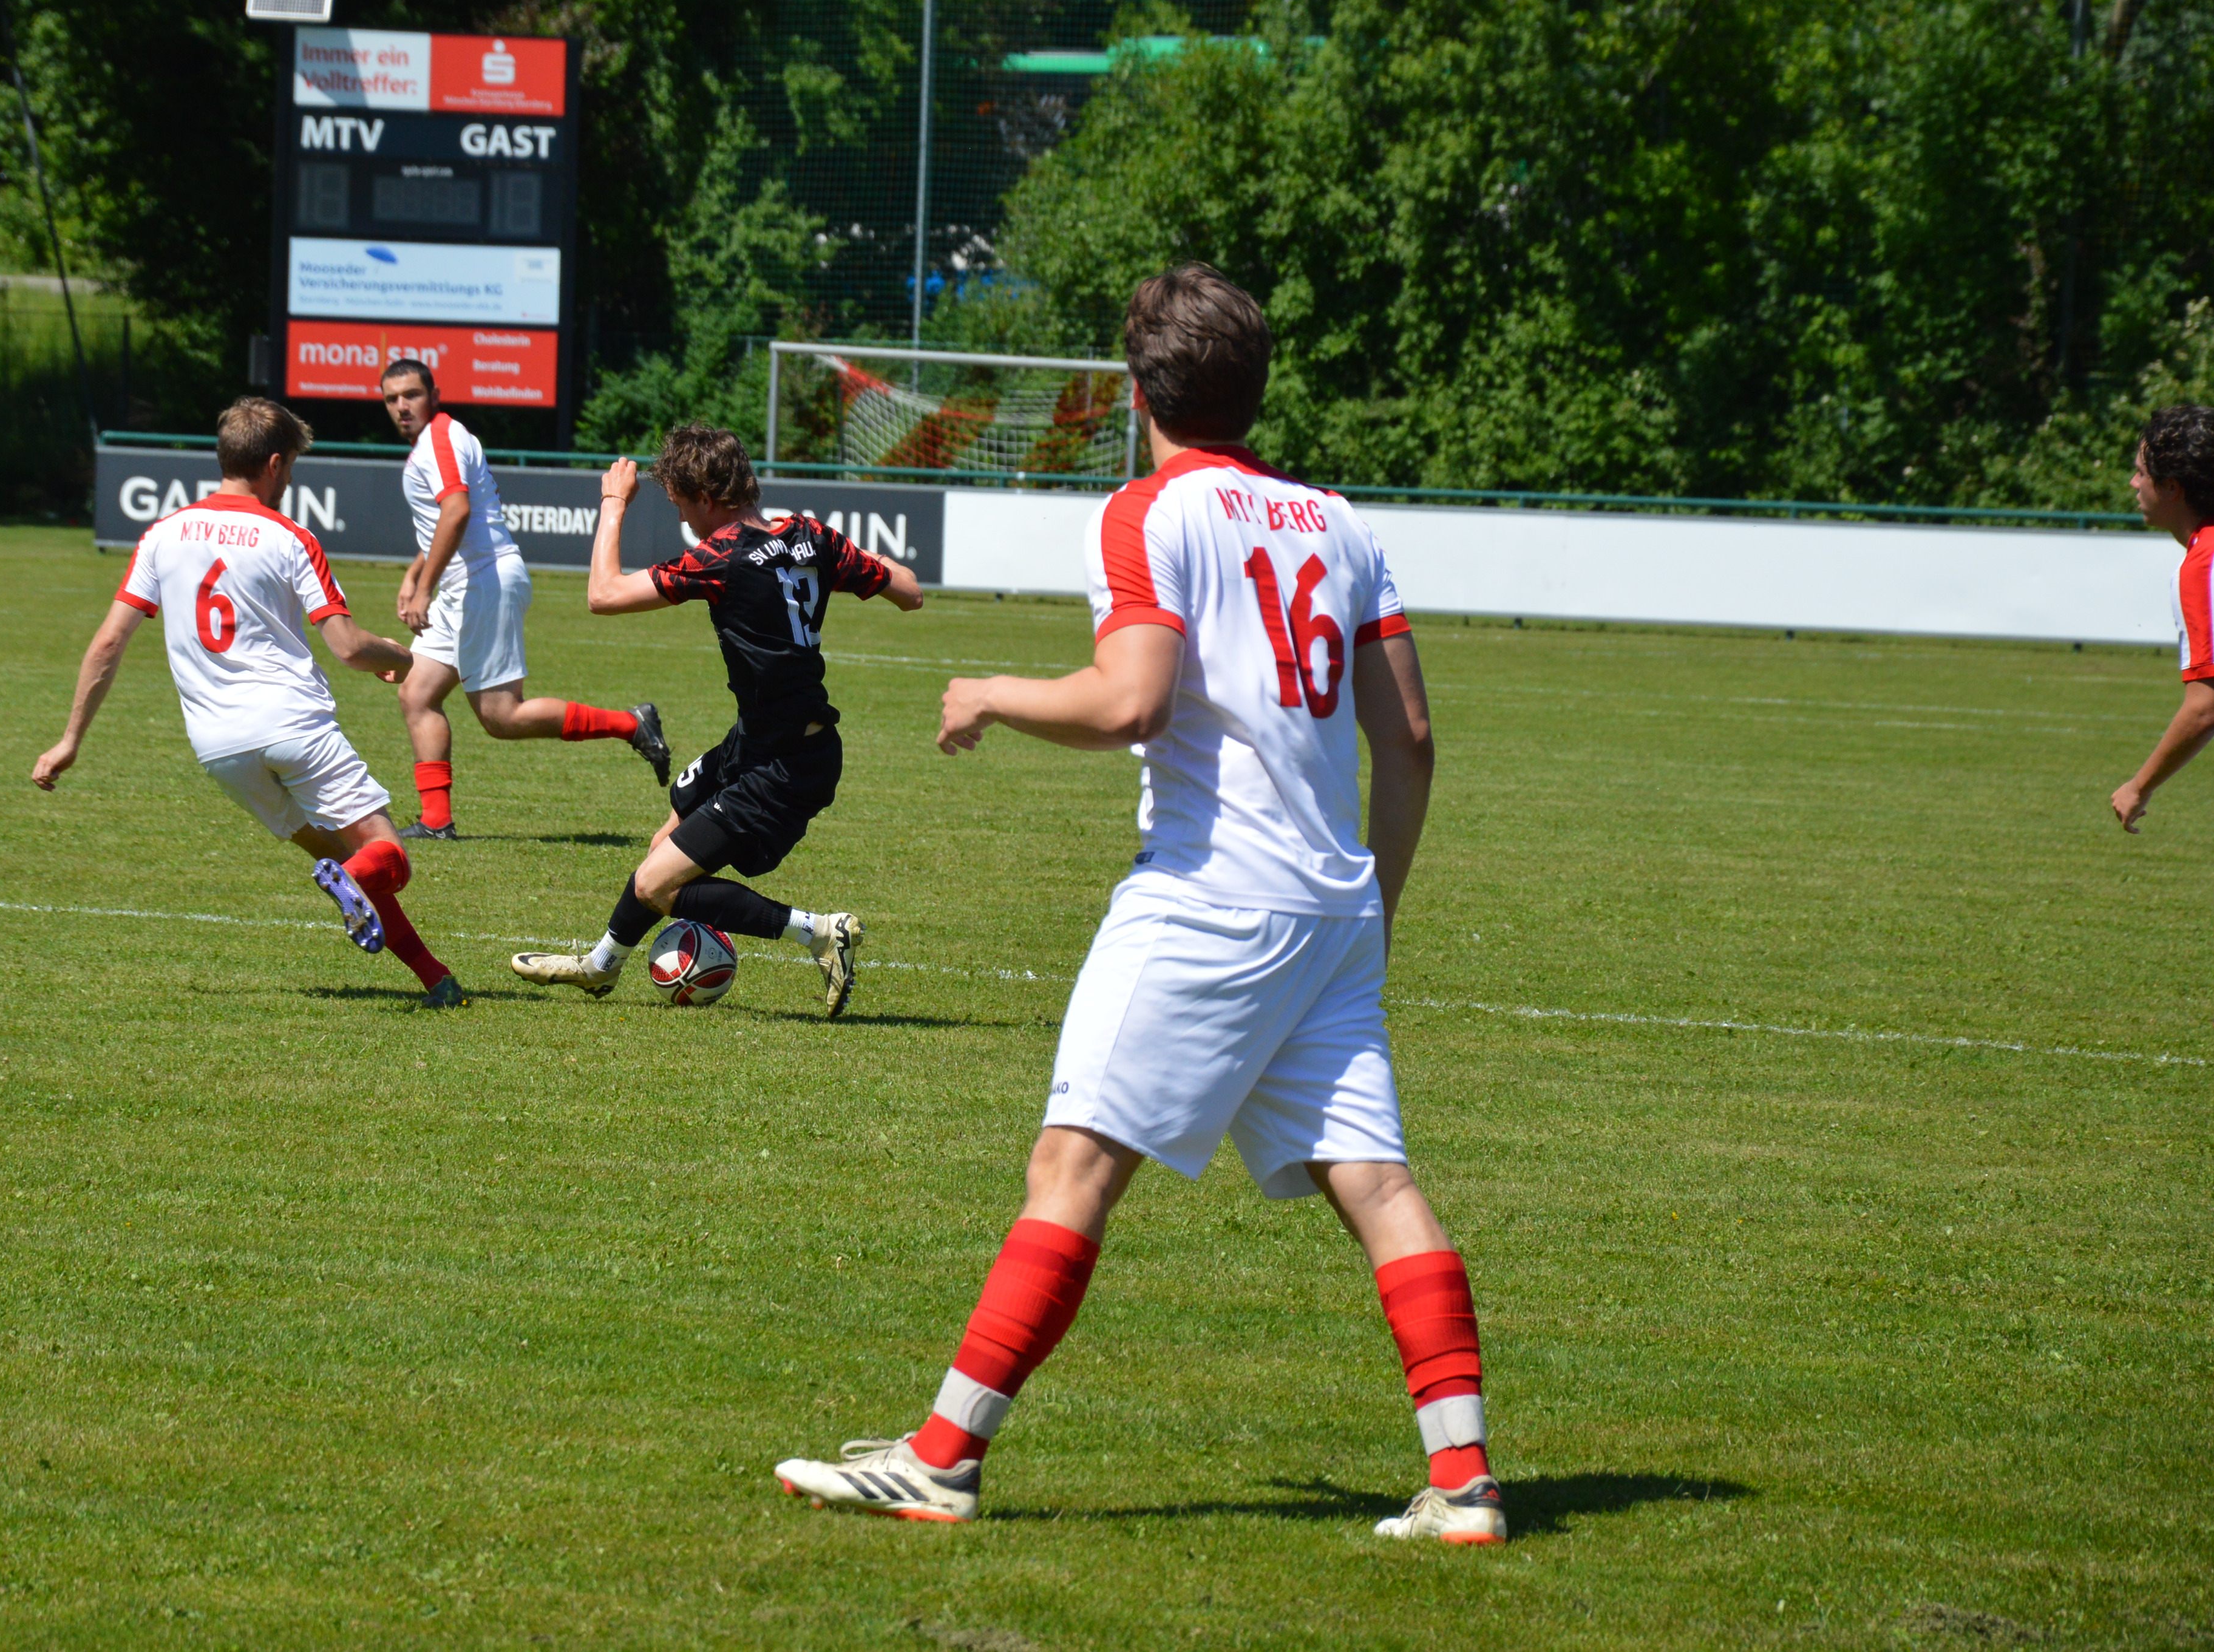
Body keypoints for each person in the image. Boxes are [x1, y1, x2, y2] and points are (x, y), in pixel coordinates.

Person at [771, 264, 1503, 1545]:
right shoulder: (1340, 523)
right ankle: (1464, 1485)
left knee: (1073, 1168)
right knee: (1381, 1187)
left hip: (1209, 899)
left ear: (1136, 392)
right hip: (1330, 911)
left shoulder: (1147, 511)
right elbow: (1413, 741)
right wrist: (1370, 908)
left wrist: (990, 692)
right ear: (1254, 385)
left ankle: (941, 1460)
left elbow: (1130, 703)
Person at [31, 396, 467, 1008]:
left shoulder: (162, 535)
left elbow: (108, 642)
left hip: (220, 749)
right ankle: (354, 883)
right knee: (388, 858)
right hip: (292, 726)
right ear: (275, 464)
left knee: (347, 862)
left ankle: (436, 980)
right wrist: (400, 657)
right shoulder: (290, 538)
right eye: (291, 467)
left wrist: (70, 740)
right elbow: (348, 648)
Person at [508, 424, 923, 1016]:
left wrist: (613, 502)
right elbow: (910, 592)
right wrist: (860, 563)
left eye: (680, 505)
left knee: (656, 884)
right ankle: (601, 966)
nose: (682, 518)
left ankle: (820, 932)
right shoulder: (811, 535)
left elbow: (603, 594)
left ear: (706, 498)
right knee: (662, 847)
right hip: (758, 743)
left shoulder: (721, 556)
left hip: (786, 766)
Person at [381, 357, 670, 839]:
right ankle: (436, 821)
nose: (402, 406)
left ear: (434, 395)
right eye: (392, 399)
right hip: (466, 584)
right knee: (417, 695)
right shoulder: (439, 441)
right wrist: (416, 576)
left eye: (411, 394)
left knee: (501, 716)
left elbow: (456, 512)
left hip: (482, 582)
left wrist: (424, 587)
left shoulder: (439, 439)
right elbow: (447, 522)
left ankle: (631, 724)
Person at [2111, 404, 2214, 1018]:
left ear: (2173, 487)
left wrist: (2139, 785)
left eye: (2141, 471)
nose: (2133, 483)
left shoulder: (2209, 562)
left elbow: (2208, 705)